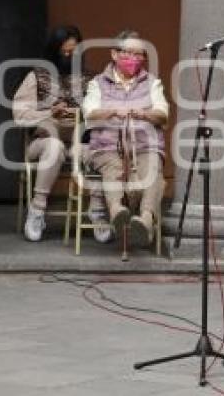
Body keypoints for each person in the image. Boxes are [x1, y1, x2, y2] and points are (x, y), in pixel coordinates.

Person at [82, 31, 168, 249]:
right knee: (112, 168)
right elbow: (89, 112)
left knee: (154, 167)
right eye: (128, 53)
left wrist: (144, 114)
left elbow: (163, 113)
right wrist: (112, 111)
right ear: (114, 54)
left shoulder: (152, 83)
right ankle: (117, 212)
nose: (134, 59)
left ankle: (145, 220)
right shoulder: (97, 83)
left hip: (144, 146)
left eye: (139, 55)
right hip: (107, 146)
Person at [13, 25, 92, 241]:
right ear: (53, 51)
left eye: (73, 52)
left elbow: (99, 114)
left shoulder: (88, 79)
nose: (69, 57)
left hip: (78, 140)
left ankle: (100, 213)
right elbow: (20, 116)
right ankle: (37, 211)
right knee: (54, 147)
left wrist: (81, 113)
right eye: (64, 52)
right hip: (44, 141)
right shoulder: (36, 76)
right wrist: (50, 112)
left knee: (103, 149)